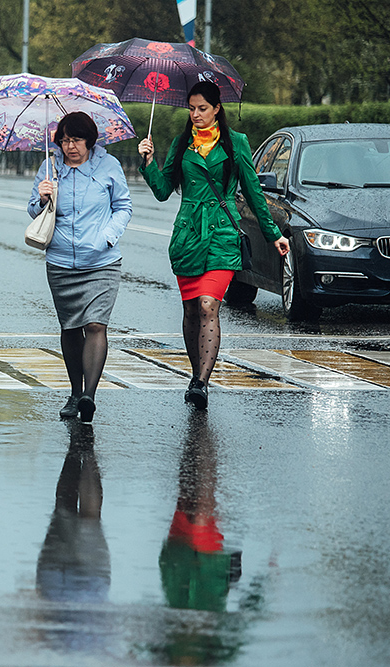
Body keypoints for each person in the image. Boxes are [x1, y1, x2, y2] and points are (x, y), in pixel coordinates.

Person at [137, 81, 290, 409]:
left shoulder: (236, 143)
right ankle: (196, 373)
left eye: (202, 108)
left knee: (208, 305)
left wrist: (272, 233)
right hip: (188, 235)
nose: (195, 115)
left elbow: (253, 192)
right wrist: (148, 163)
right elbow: (164, 190)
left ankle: (202, 382)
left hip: (221, 233)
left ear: (217, 108)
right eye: (191, 109)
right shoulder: (182, 144)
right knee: (191, 309)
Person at [27, 111, 132, 423]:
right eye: (64, 140)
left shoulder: (109, 166)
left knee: (96, 326)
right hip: (60, 261)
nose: (69, 146)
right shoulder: (50, 167)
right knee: (71, 329)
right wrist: (42, 198)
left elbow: (123, 206)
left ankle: (90, 395)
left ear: (90, 140)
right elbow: (33, 210)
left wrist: (107, 237)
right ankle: (75, 391)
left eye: (76, 140)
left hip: (102, 261)